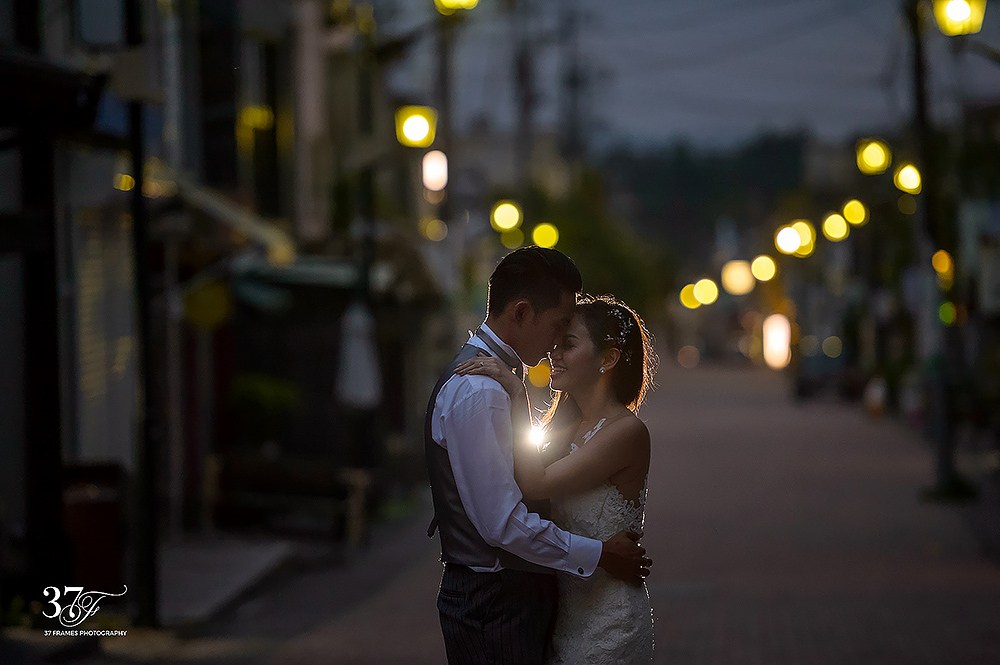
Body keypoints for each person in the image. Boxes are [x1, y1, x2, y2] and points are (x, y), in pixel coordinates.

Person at [425, 248, 651, 665]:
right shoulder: (482, 390)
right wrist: (599, 554)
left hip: (542, 607)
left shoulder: (502, 386)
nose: (554, 347)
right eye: (559, 327)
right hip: (497, 603)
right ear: (523, 312)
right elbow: (503, 523)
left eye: (569, 336)